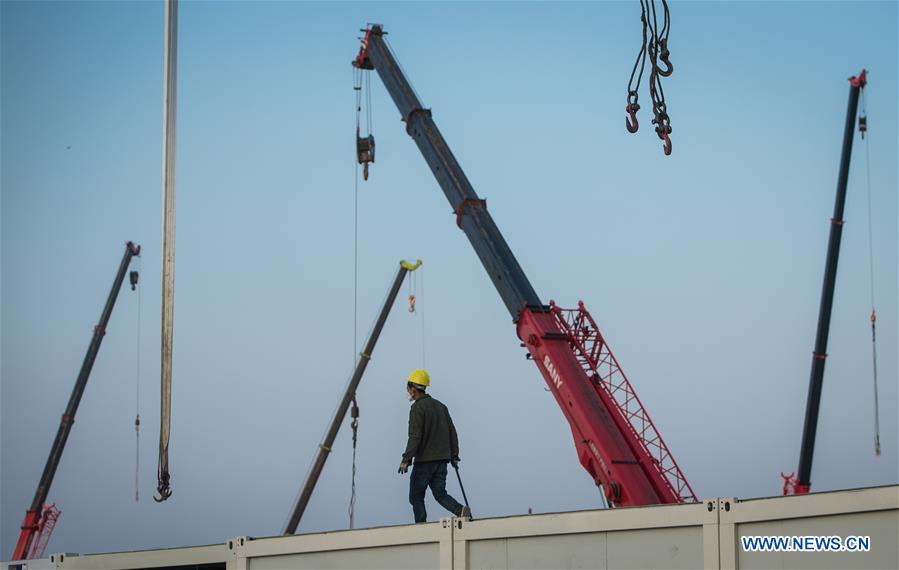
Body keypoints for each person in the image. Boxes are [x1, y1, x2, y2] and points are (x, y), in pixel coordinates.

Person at [397, 369, 470, 522]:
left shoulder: (417, 408)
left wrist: (406, 459)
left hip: (424, 462)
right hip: (442, 461)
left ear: (413, 388)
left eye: (407, 388)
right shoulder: (441, 406)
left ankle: (421, 526)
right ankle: (460, 510)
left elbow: (415, 437)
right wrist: (454, 456)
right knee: (440, 493)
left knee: (416, 497)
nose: (407, 391)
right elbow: (452, 433)